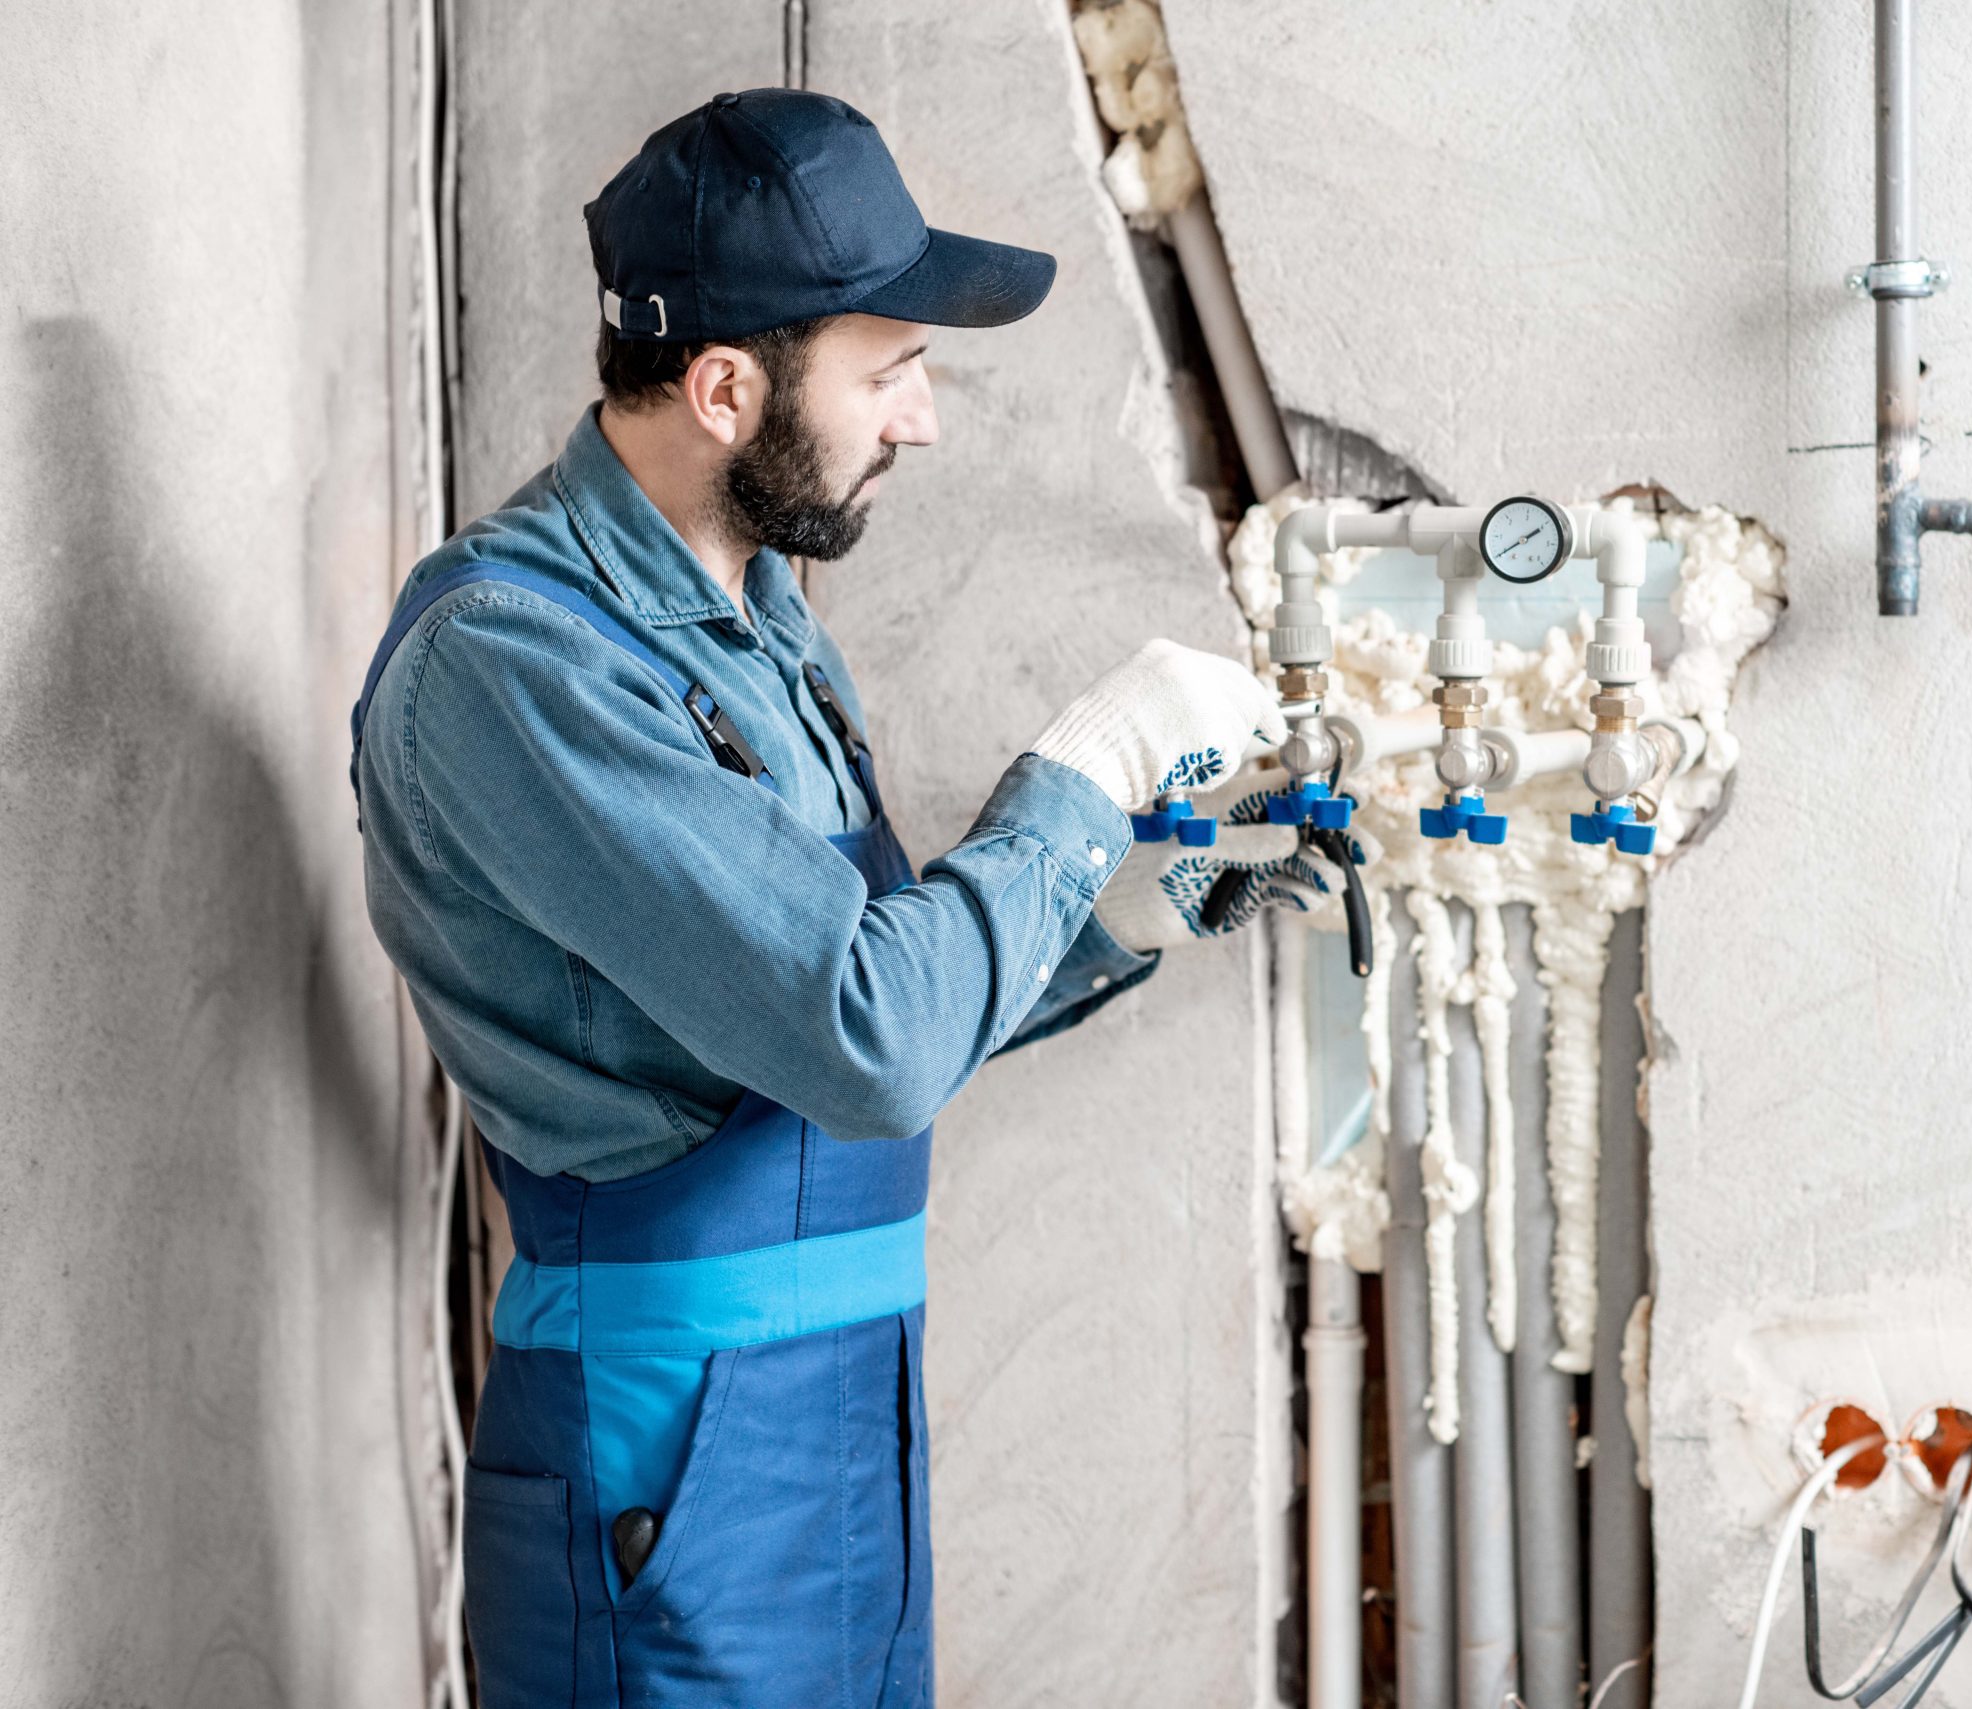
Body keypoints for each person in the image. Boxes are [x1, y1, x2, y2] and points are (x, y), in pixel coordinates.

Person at [349, 87, 1338, 1708]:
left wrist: (1116, 918)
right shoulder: (511, 659)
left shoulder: (754, 622)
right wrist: (1093, 765)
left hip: (841, 1420)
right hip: (669, 1445)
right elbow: (868, 1042)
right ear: (728, 386)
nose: (923, 418)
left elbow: (836, 1012)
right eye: (890, 369)